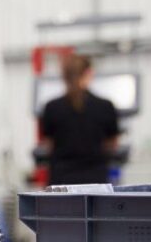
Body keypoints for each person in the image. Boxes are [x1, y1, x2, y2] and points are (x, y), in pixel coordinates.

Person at [40, 54, 121, 185]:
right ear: (89, 73)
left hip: (61, 182)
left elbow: (49, 145)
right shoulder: (105, 106)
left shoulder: (52, 107)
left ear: (64, 76)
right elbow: (112, 144)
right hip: (96, 181)